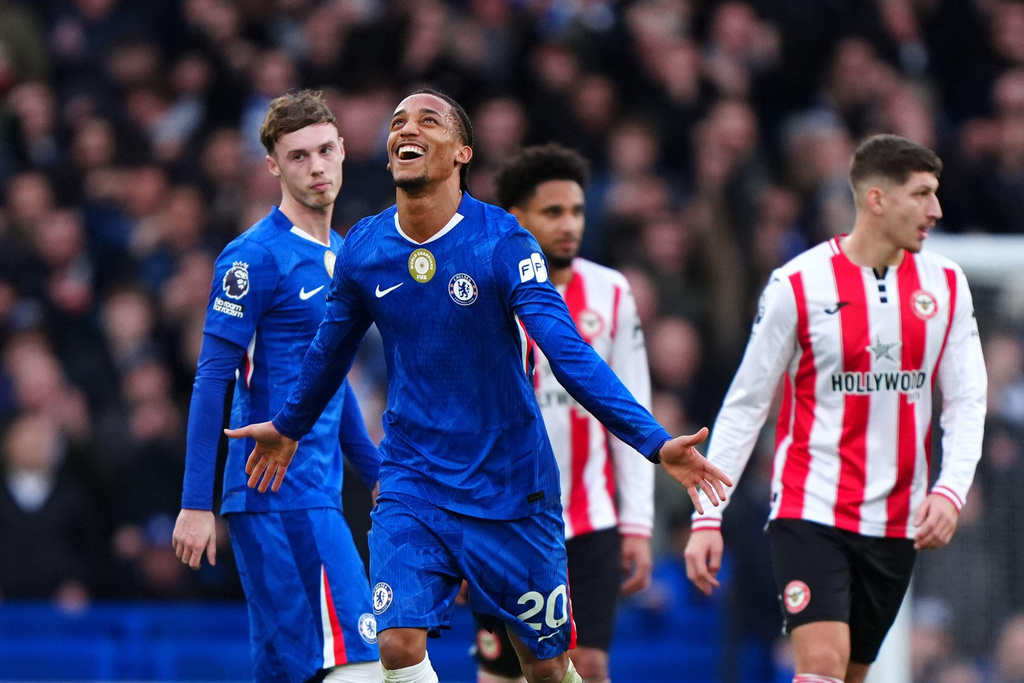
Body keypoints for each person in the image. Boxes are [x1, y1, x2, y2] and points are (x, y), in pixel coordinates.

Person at [226, 89, 732, 683]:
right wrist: (288, 426)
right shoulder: (365, 247)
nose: (405, 129)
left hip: (512, 489)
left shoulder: (503, 241)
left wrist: (653, 441)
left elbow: (566, 351)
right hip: (414, 481)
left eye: (428, 120)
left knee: (545, 669)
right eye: (397, 122)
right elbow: (326, 355)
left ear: (463, 151)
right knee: (395, 642)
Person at [683, 133, 987, 683]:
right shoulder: (797, 284)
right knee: (819, 665)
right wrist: (708, 515)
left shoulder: (946, 284)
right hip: (811, 507)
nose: (936, 210)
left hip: (897, 519)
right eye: (921, 194)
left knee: (849, 672)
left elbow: (967, 399)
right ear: (876, 199)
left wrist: (950, 488)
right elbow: (746, 403)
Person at [171, 90, 383, 683]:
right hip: (280, 495)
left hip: (312, 491)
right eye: (297, 157)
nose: (315, 167)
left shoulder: (343, 255)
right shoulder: (255, 257)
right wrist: (195, 502)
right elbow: (213, 377)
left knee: (295, 672)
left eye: (323, 151)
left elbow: (329, 386)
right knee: (360, 667)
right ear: (273, 166)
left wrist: (378, 476)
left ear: (343, 150)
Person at [467, 143, 654, 683]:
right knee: (503, 674)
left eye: (576, 211)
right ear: (517, 219)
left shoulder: (611, 292)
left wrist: (637, 525)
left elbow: (631, 410)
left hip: (590, 522)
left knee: (588, 665)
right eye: (553, 212)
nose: (569, 224)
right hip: (501, 519)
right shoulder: (481, 293)